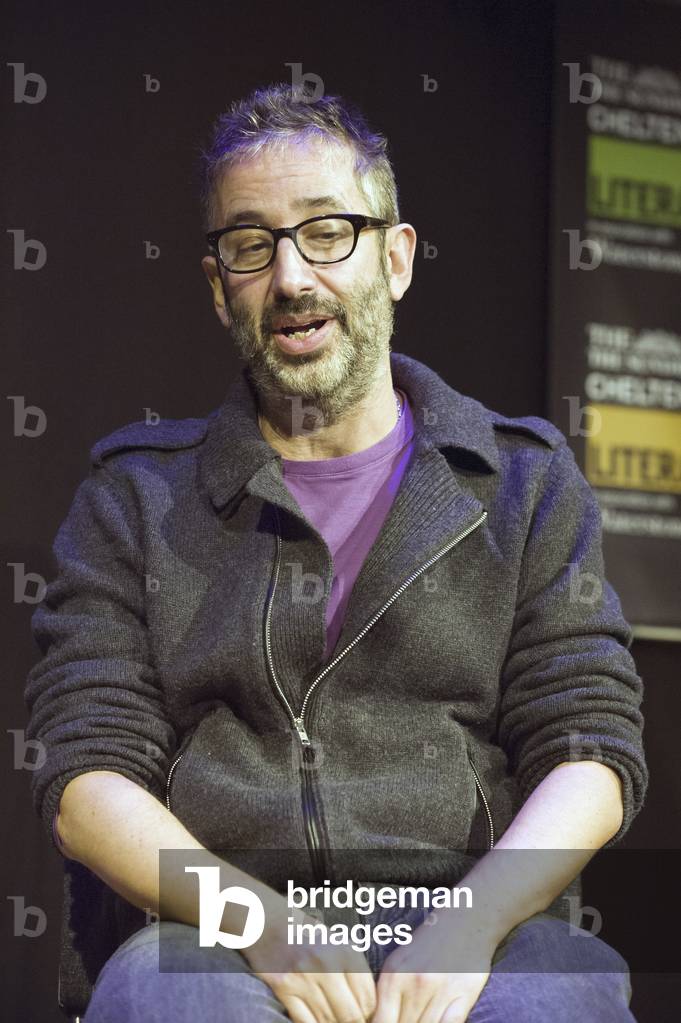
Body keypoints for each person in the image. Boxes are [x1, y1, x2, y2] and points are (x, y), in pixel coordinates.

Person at [25, 82, 648, 1023]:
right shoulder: (134, 497)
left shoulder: (522, 481)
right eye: (250, 243)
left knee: (560, 988)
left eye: (327, 232)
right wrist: (256, 921)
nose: (291, 278)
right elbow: (86, 780)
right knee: (164, 993)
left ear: (394, 259)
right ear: (216, 283)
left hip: (470, 918)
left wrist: (468, 924)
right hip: (214, 932)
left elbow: (590, 746)